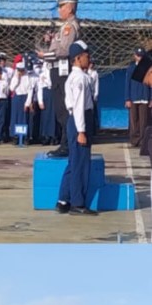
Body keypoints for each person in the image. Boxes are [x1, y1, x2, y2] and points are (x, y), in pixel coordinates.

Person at [57, 40, 99, 215]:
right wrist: (81, 131)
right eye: (86, 56)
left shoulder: (78, 76)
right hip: (80, 121)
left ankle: (64, 199)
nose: (89, 58)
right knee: (81, 164)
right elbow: (79, 106)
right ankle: (78, 203)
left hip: (75, 120)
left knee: (74, 162)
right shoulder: (80, 78)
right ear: (77, 58)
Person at [39, 0, 83, 153]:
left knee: (64, 110)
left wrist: (45, 55)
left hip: (62, 71)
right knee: (60, 110)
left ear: (70, 8)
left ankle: (67, 145)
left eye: (61, 6)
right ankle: (66, 143)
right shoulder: (64, 26)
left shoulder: (69, 27)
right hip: (57, 70)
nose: (59, 10)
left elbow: (64, 51)